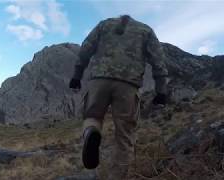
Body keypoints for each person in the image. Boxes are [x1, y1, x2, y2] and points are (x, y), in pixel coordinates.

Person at [69, 15, 168, 179]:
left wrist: (77, 75)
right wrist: (161, 91)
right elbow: (158, 61)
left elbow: (86, 48)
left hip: (99, 80)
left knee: (92, 116)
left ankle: (91, 132)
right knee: (124, 136)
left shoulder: (104, 25)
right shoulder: (146, 31)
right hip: (128, 86)